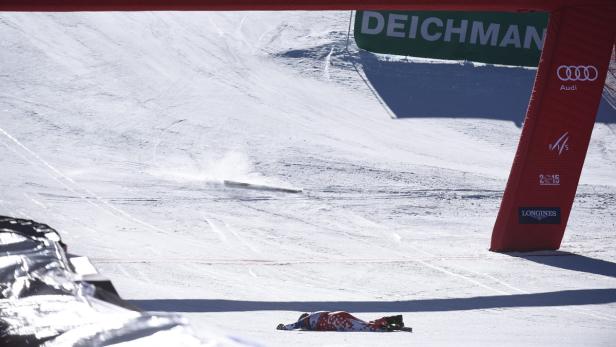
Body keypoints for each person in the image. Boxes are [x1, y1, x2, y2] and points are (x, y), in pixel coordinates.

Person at [276, 311, 406, 332]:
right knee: (364, 324)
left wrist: (284, 327)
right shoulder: (315, 315)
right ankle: (391, 321)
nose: (303, 327)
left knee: (362, 328)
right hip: (338, 315)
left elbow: (295, 325)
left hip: (335, 320)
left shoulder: (307, 319)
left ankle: (385, 326)